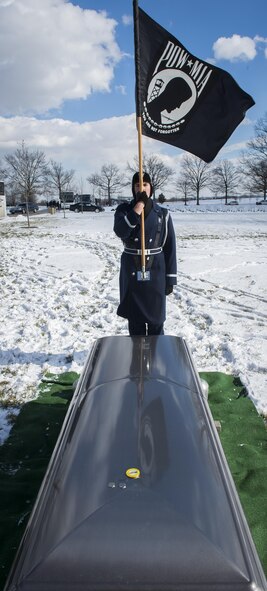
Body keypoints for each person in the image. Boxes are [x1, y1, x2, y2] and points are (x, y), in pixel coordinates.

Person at [114, 172, 177, 336]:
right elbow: (121, 231)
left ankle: (156, 358)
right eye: (137, 185)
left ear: (151, 188)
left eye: (145, 185)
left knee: (156, 322)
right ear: (133, 189)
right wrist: (138, 207)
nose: (141, 188)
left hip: (156, 270)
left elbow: (170, 247)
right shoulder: (123, 210)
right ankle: (136, 359)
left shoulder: (163, 214)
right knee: (135, 324)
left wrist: (170, 278)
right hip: (132, 270)